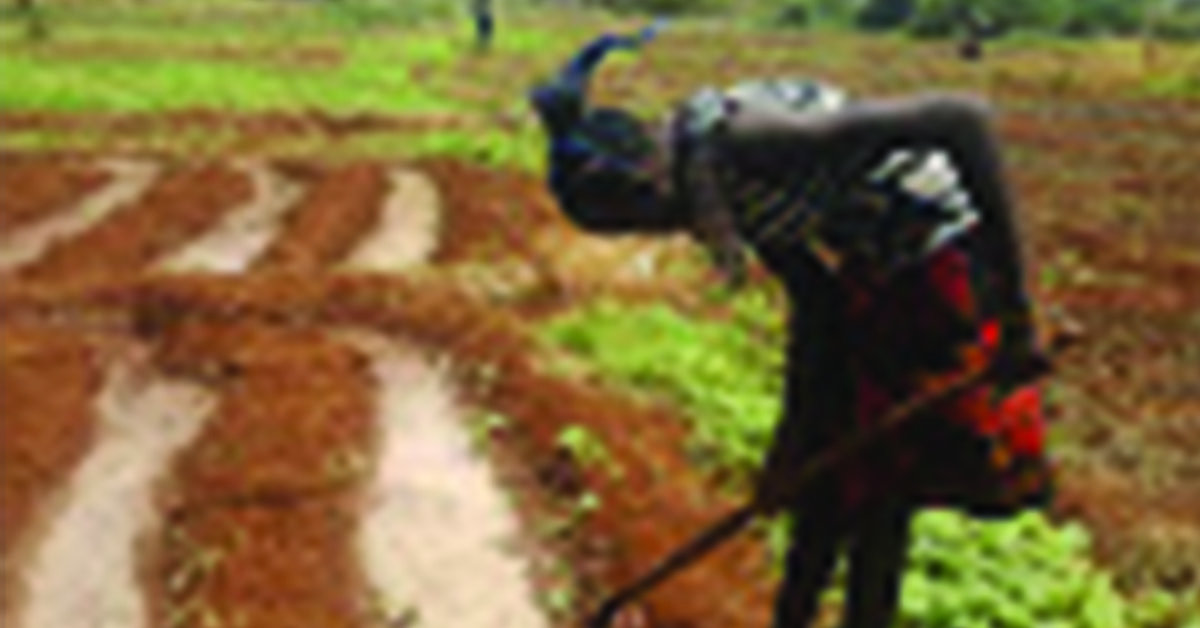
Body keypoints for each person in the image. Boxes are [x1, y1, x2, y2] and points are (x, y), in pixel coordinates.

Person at [530, 28, 1055, 628]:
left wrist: (1017, 312)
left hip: (941, 260)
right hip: (877, 266)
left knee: (884, 485)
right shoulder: (712, 187)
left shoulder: (752, 140)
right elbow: (816, 305)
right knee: (826, 478)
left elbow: (964, 118)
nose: (662, 232)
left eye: (640, 222)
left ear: (642, 181)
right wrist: (793, 441)